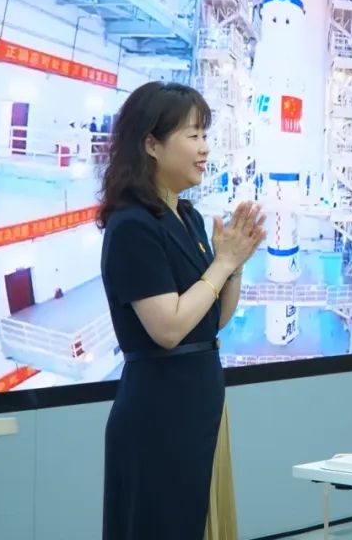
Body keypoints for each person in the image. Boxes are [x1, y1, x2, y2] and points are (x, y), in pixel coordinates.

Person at [97, 82, 266, 540]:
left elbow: (211, 321)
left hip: (199, 404)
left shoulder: (187, 217)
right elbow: (169, 328)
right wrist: (222, 263)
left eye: (205, 135)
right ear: (151, 144)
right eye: (193, 136)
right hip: (159, 412)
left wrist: (234, 265)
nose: (204, 148)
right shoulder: (131, 225)